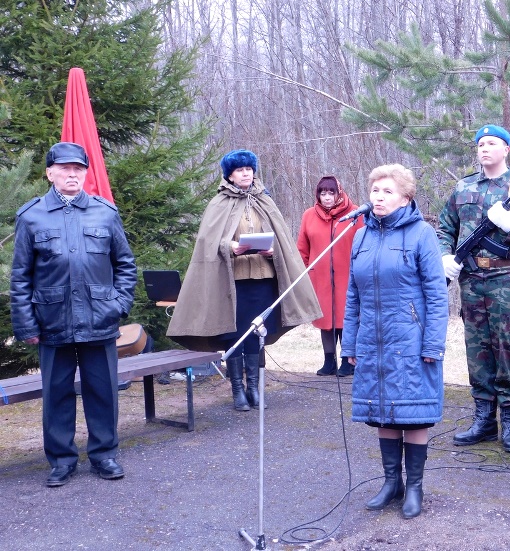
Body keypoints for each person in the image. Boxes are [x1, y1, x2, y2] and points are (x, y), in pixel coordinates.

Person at [10, 142, 138, 487]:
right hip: (52, 322)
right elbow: (20, 276)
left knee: (103, 391)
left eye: (78, 169)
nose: (72, 175)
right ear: (50, 173)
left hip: (100, 319)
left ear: (85, 173)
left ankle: (104, 454)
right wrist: (26, 324)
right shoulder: (32, 215)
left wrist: (118, 305)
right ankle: (62, 460)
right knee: (56, 395)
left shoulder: (104, 212)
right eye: (64, 169)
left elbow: (125, 265)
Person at [167, 149, 321, 411]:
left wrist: (273, 251)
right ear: (230, 175)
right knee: (234, 334)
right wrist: (230, 247)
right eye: (240, 170)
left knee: (256, 334)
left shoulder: (265, 200)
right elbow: (208, 242)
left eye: (249, 169)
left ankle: (254, 389)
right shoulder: (219, 203)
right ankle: (237, 390)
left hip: (263, 279)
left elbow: (282, 239)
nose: (246, 173)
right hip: (233, 282)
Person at [341, 164, 448, 519]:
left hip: (410, 339)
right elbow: (353, 296)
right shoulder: (360, 236)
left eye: (388, 191)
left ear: (405, 198)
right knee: (383, 410)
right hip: (373, 340)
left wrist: (433, 344)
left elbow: (437, 295)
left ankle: (414, 486)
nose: (379, 197)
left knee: (412, 413)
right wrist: (350, 343)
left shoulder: (422, 234)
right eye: (375, 190)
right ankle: (392, 483)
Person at [438, 124, 510, 453]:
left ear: (506, 149)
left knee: (508, 348)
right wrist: (445, 255)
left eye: (492, 143)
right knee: (478, 350)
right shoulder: (463, 187)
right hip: (472, 281)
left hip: (507, 280)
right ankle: (484, 419)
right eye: (481, 144)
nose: (484, 148)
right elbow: (445, 227)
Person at [296, 176, 364, 377]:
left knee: (347, 317)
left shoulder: (355, 214)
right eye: (323, 193)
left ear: (339, 193)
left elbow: (364, 245)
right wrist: (306, 272)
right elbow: (302, 249)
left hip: (348, 277)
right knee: (325, 320)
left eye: (331, 193)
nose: (326, 198)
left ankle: (348, 360)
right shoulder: (309, 215)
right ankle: (329, 360)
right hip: (320, 278)